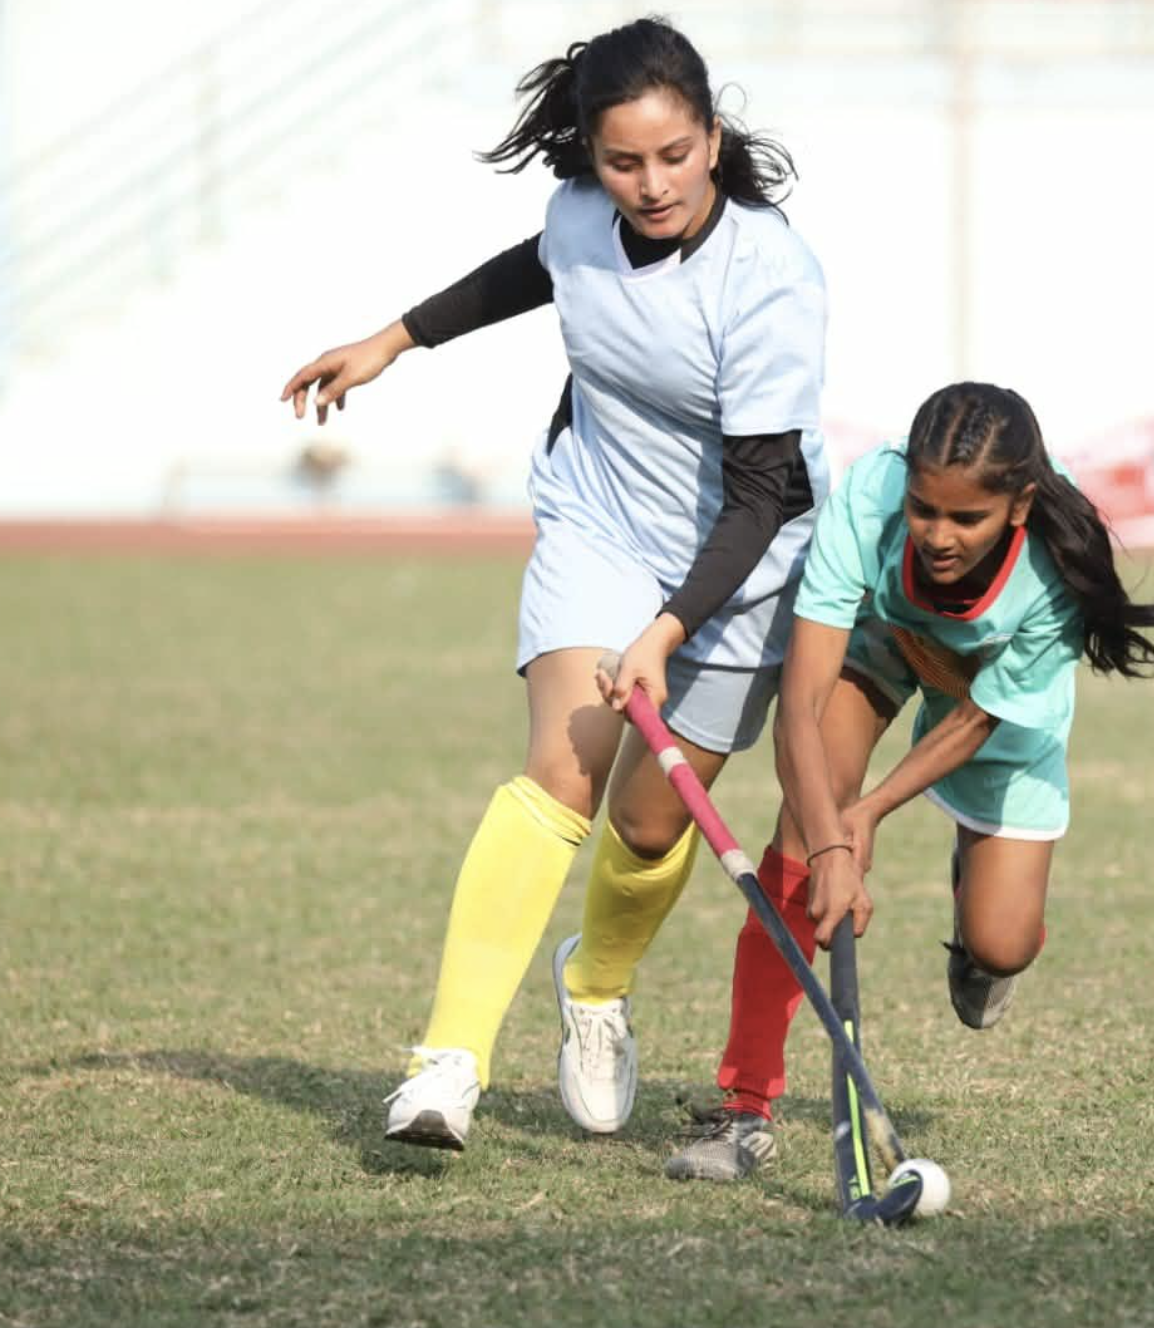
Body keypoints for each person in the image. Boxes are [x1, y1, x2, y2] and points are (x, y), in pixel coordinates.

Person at [280, 17, 827, 1151]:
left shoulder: (769, 276)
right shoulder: (584, 214)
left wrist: (671, 627)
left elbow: (768, 491)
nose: (651, 184)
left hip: (737, 564)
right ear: (591, 154)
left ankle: (596, 987)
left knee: (644, 817)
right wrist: (394, 339)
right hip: (599, 523)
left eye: (674, 155)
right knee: (559, 773)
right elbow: (541, 267)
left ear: (712, 138)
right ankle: (447, 1064)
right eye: (623, 162)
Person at [663, 382, 1154, 1181]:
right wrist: (831, 836)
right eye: (927, 509)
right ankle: (745, 1105)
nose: (938, 534)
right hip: (886, 641)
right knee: (800, 842)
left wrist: (870, 813)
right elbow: (804, 700)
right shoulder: (870, 497)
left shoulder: (1057, 566)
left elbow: (975, 720)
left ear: (1020, 503)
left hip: (986, 696)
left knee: (1004, 941)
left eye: (966, 518)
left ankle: (978, 927)